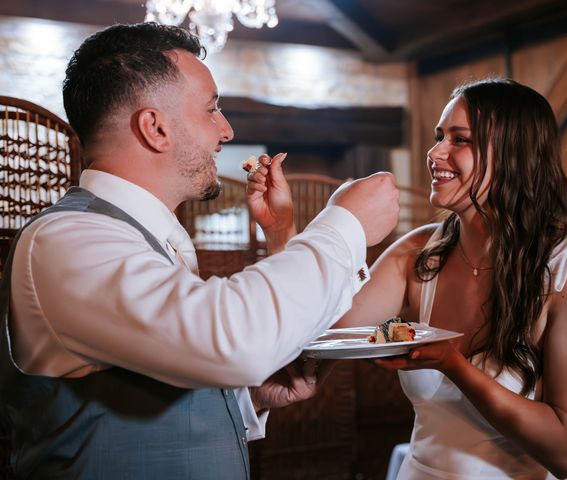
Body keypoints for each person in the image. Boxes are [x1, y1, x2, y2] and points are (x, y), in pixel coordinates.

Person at [0, 22, 400, 479]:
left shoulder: (149, 240)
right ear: (155, 128)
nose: (226, 132)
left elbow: (167, 370)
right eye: (212, 110)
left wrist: (240, 400)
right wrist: (344, 224)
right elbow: (229, 337)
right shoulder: (65, 240)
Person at [256, 79, 567, 479]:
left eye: (458, 139)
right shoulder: (418, 255)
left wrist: (453, 365)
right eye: (438, 136)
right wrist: (281, 231)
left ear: (515, 154)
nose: (434, 152)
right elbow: (318, 329)